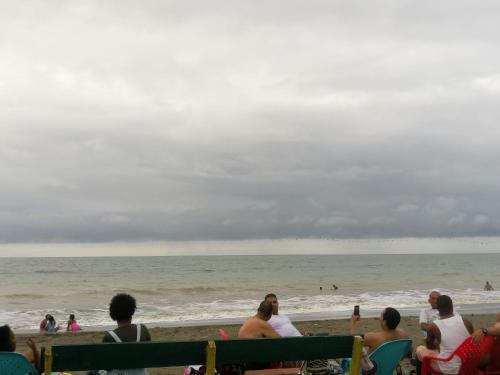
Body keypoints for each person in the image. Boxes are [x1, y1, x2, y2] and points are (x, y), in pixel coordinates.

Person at [416, 295, 473, 374]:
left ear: (437, 307)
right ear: (452, 305)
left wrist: (437, 341)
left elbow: (430, 346)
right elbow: (471, 340)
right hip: (467, 363)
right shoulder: (465, 321)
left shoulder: (433, 326)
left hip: (449, 368)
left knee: (419, 349)